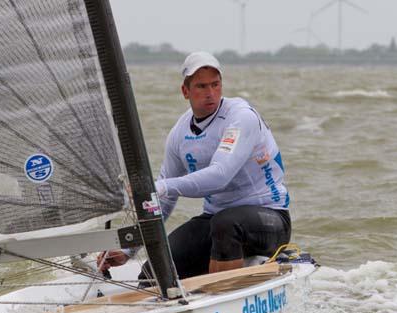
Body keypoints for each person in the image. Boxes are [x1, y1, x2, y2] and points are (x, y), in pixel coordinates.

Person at [98, 52, 291, 279]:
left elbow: (219, 176)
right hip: (217, 222)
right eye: (201, 86)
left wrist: (162, 186)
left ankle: (222, 296)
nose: (210, 93)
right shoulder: (179, 133)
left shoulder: (241, 117)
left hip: (270, 219)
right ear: (185, 91)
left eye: (215, 84)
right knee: (155, 272)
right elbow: (165, 200)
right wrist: (128, 250)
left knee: (226, 224)